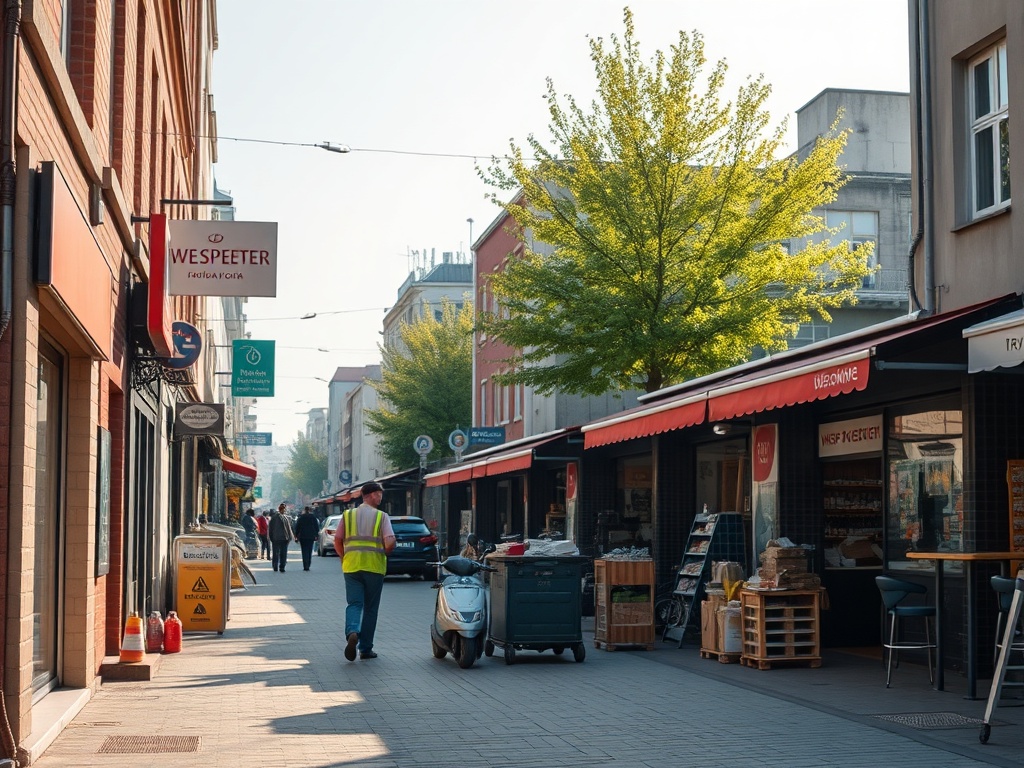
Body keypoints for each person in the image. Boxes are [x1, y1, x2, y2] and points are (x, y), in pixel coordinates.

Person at [334, 482, 395, 661]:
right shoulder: (381, 517)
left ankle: (352, 631)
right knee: (370, 609)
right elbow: (390, 541)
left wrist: (344, 557)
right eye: (379, 494)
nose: (381, 497)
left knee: (354, 603)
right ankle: (366, 648)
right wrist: (388, 551)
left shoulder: (348, 515)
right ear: (370, 495)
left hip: (351, 567)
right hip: (374, 568)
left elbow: (338, 539)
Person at [268, 503, 295, 572]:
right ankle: (281, 566)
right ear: (284, 509)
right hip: (283, 538)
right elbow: (289, 529)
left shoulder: (274, 518)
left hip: (277, 538)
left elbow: (270, 529)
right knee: (283, 553)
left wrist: (271, 537)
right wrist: (289, 537)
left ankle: (276, 566)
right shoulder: (286, 518)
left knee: (276, 553)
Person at [294, 505, 322, 571]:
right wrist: (316, 535)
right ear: (310, 510)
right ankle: (308, 564)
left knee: (304, 551)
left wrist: (296, 536)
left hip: (303, 536)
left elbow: (297, 527)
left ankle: (305, 565)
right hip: (311, 536)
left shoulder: (301, 518)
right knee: (309, 550)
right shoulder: (313, 517)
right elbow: (316, 527)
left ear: (304, 510)